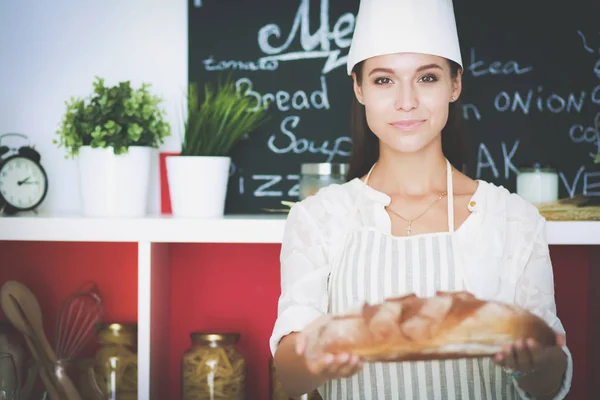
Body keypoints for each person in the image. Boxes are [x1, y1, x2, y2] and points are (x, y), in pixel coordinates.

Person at [269, 0, 573, 398]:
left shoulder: (514, 218)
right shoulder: (317, 218)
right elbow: (288, 372)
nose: (406, 101)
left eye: (427, 78)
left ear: (455, 84)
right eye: (384, 80)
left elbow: (551, 380)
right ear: (359, 88)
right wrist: (314, 362)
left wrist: (536, 362)